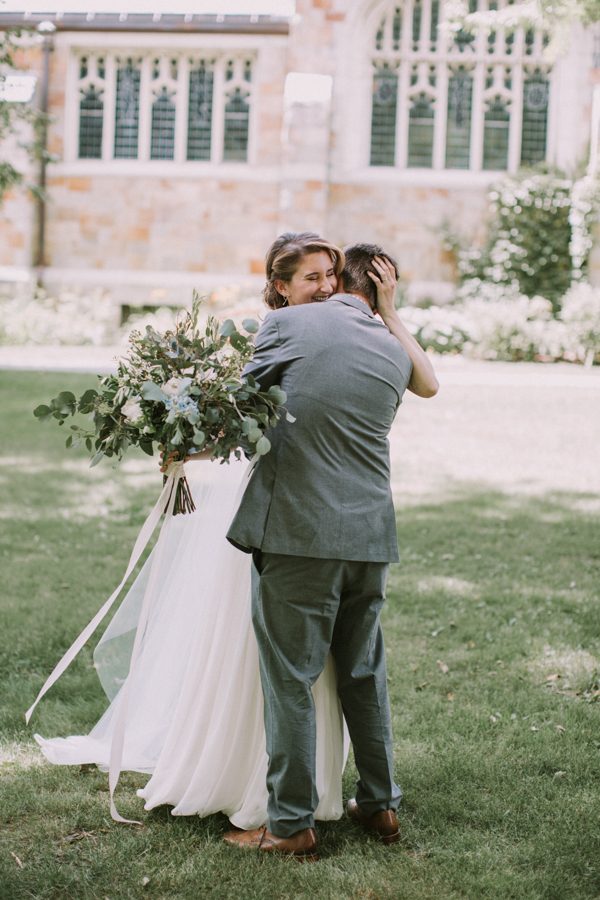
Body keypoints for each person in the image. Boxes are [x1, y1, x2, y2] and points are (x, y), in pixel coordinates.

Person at [31, 233, 361, 827]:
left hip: (312, 502)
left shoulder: (332, 329)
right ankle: (243, 773)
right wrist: (184, 443)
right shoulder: (277, 331)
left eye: (330, 275)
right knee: (248, 642)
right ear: (280, 286)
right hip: (272, 503)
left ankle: (296, 786)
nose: (327, 287)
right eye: (312, 277)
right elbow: (242, 414)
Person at [223, 242, 438, 861]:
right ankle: (380, 804)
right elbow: (428, 385)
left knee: (290, 678)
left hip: (299, 534)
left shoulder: (286, 323)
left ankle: (289, 824)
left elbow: (236, 411)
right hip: (370, 534)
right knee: (364, 672)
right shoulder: (394, 347)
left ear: (338, 278)